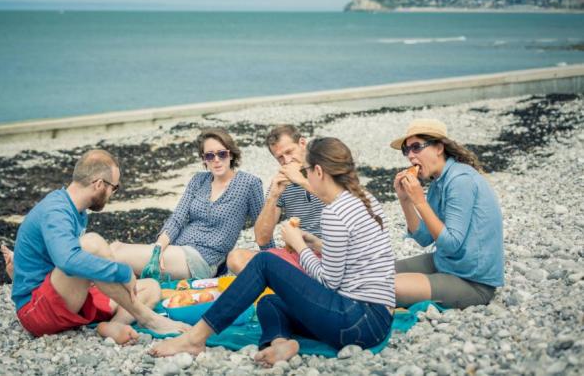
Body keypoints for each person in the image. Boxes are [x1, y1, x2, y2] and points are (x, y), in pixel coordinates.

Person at [149, 137, 395, 365]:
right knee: (270, 302)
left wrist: (297, 244)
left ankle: (195, 338)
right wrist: (314, 244)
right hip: (375, 321)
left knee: (264, 262)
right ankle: (280, 343)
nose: (305, 175)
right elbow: (354, 258)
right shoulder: (363, 199)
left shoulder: (335, 213)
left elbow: (329, 281)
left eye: (307, 170)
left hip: (357, 323)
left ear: (318, 171)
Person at [5, 149, 188, 343]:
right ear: (99, 184)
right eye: (114, 188)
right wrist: (123, 272)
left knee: (150, 287)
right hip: (37, 309)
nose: (112, 194)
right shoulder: (56, 211)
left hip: (66, 294)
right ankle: (149, 319)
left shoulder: (75, 209)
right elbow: (67, 260)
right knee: (91, 244)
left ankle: (116, 324)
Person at [110, 128, 264, 280]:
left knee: (116, 255)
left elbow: (263, 225)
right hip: (175, 248)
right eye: (210, 156)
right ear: (204, 159)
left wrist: (273, 260)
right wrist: (159, 248)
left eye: (222, 154)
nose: (216, 160)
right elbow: (178, 218)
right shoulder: (198, 180)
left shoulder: (249, 183)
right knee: (114, 248)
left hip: (203, 258)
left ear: (231, 154)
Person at [391, 119, 504, 309]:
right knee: (375, 273)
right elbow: (424, 238)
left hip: (471, 281)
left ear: (439, 148)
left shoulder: (460, 180)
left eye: (416, 147)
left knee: (384, 288)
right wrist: (405, 200)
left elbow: (451, 244)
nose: (410, 156)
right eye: (406, 150)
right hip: (444, 263)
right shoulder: (438, 182)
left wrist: (419, 201)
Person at [226, 125, 325, 274]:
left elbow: (346, 202)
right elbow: (262, 239)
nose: (286, 161)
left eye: (289, 152)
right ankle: (297, 283)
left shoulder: (325, 169)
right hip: (297, 256)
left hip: (331, 253)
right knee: (236, 258)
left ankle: (293, 283)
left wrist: (302, 182)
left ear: (303, 144)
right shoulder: (282, 183)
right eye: (280, 157)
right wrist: (273, 196)